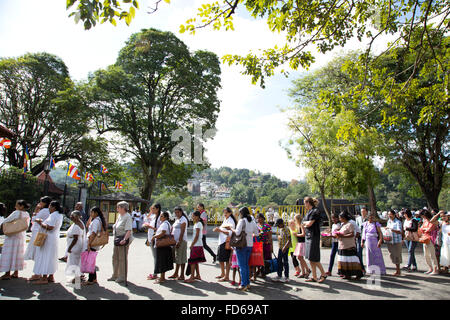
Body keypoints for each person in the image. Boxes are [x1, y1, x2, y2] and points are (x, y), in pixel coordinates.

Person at [224, 207, 259, 291]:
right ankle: (247, 283)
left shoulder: (242, 221)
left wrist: (230, 228)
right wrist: (249, 235)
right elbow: (257, 233)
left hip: (242, 245)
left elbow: (237, 232)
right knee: (246, 265)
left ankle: (243, 284)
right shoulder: (252, 221)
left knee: (242, 266)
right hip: (250, 245)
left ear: (241, 213)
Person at [31, 200, 64, 284]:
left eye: (50, 206)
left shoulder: (53, 215)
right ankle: (51, 276)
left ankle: (44, 278)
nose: (49, 208)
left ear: (53, 207)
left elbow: (50, 227)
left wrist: (40, 222)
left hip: (48, 239)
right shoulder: (59, 215)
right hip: (53, 238)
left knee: (45, 257)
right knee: (51, 257)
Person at [0, 200, 30, 280]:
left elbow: (6, 220)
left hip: (12, 235)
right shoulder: (27, 214)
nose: (15, 207)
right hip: (21, 235)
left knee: (9, 254)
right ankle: (16, 272)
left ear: (21, 206)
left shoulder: (17, 212)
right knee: (18, 254)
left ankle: (7, 273)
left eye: (17, 205)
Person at [302, 197, 327, 283]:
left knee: (314, 257)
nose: (304, 205)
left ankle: (323, 274)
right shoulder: (308, 212)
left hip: (314, 236)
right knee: (310, 258)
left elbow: (309, 223)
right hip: (308, 236)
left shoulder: (315, 211)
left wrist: (305, 224)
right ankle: (314, 276)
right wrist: (305, 224)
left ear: (308, 203)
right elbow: (304, 223)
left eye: (305, 203)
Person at [108, 201, 133, 284]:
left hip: (123, 240)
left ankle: (122, 276)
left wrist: (125, 239)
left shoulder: (127, 216)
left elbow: (129, 230)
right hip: (117, 239)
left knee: (122, 258)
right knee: (114, 257)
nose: (117, 209)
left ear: (123, 208)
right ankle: (115, 274)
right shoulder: (120, 216)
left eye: (118, 207)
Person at [335, 211, 364, 280]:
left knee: (352, 260)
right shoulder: (343, 225)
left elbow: (352, 234)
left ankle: (358, 274)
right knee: (344, 260)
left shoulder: (350, 224)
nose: (339, 219)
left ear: (344, 218)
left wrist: (343, 235)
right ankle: (346, 274)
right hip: (342, 245)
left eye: (340, 218)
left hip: (349, 245)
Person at [25, 196, 51, 267]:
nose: (40, 203)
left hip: (38, 231)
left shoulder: (44, 211)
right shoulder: (48, 211)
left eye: (41, 202)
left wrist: (35, 211)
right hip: (39, 230)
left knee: (36, 249)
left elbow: (34, 219)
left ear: (45, 203)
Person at [213, 207, 236, 282]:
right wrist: (218, 229)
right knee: (220, 258)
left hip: (226, 241)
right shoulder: (226, 219)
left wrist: (219, 230)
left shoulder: (231, 221)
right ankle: (223, 273)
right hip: (221, 241)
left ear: (230, 213)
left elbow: (230, 232)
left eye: (226, 212)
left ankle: (227, 276)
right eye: (224, 212)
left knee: (226, 259)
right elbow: (223, 229)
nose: (225, 214)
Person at [85, 206, 107, 285]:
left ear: (96, 213)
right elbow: (87, 225)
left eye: (92, 212)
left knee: (90, 261)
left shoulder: (96, 221)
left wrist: (89, 243)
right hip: (94, 243)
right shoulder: (97, 220)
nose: (90, 214)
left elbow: (93, 233)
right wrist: (91, 217)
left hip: (92, 243)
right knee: (92, 261)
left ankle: (91, 279)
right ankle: (94, 278)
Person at [151, 211, 174, 284]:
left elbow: (163, 233)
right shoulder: (165, 223)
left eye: (162, 216)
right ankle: (162, 277)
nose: (160, 217)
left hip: (162, 245)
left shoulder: (165, 224)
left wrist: (154, 236)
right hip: (164, 245)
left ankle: (162, 278)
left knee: (162, 261)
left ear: (165, 217)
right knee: (162, 261)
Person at [64, 210, 86, 285]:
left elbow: (75, 238)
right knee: (76, 261)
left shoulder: (77, 226)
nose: (70, 217)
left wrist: (69, 248)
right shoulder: (78, 223)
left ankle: (77, 278)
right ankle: (78, 277)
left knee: (74, 262)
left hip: (75, 245)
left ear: (76, 217)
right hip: (77, 244)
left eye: (72, 216)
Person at [185, 210, 206, 283]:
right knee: (195, 260)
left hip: (196, 244)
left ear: (197, 216)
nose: (192, 217)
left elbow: (197, 236)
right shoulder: (197, 223)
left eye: (193, 216)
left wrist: (192, 244)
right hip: (198, 244)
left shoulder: (198, 224)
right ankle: (197, 275)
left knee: (193, 261)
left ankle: (192, 277)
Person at [169, 207, 189, 281]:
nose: (177, 214)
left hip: (181, 241)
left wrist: (179, 241)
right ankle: (176, 273)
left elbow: (182, 231)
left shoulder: (183, 219)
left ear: (181, 212)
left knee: (182, 258)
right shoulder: (177, 219)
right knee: (177, 258)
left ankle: (182, 274)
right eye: (175, 212)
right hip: (175, 240)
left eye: (178, 212)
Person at [144, 203, 162, 280]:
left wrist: (149, 227)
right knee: (155, 256)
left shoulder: (160, 217)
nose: (152, 209)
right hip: (151, 238)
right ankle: (156, 272)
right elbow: (146, 219)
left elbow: (161, 229)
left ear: (157, 209)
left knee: (156, 256)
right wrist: (151, 212)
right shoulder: (154, 216)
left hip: (155, 239)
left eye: (153, 208)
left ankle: (156, 273)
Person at [419, 209, 439, 275]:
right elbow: (421, 229)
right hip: (425, 238)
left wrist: (424, 229)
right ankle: (430, 268)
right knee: (426, 255)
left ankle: (435, 269)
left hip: (430, 239)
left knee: (432, 255)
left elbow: (429, 229)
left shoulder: (432, 221)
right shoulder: (425, 221)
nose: (422, 217)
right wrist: (424, 229)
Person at [272, 218, 291, 283]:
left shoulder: (286, 229)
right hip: (280, 247)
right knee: (279, 261)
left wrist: (285, 247)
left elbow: (289, 239)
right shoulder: (280, 229)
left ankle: (286, 276)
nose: (278, 226)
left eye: (278, 224)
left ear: (281, 223)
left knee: (285, 262)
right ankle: (279, 275)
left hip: (285, 248)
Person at [385, 209, 403, 276]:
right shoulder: (389, 221)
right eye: (388, 214)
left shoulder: (397, 222)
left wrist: (392, 230)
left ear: (394, 215)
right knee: (392, 254)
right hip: (390, 240)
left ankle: (398, 270)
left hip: (397, 241)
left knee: (397, 255)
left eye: (391, 214)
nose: (389, 216)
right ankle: (396, 268)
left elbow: (400, 231)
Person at [254, 213, 273, 279]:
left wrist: (271, 246)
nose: (258, 219)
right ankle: (259, 271)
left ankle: (263, 272)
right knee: (258, 259)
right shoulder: (256, 226)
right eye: (257, 218)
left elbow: (270, 237)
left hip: (266, 245)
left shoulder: (267, 226)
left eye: (260, 218)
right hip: (258, 245)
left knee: (265, 259)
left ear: (263, 218)